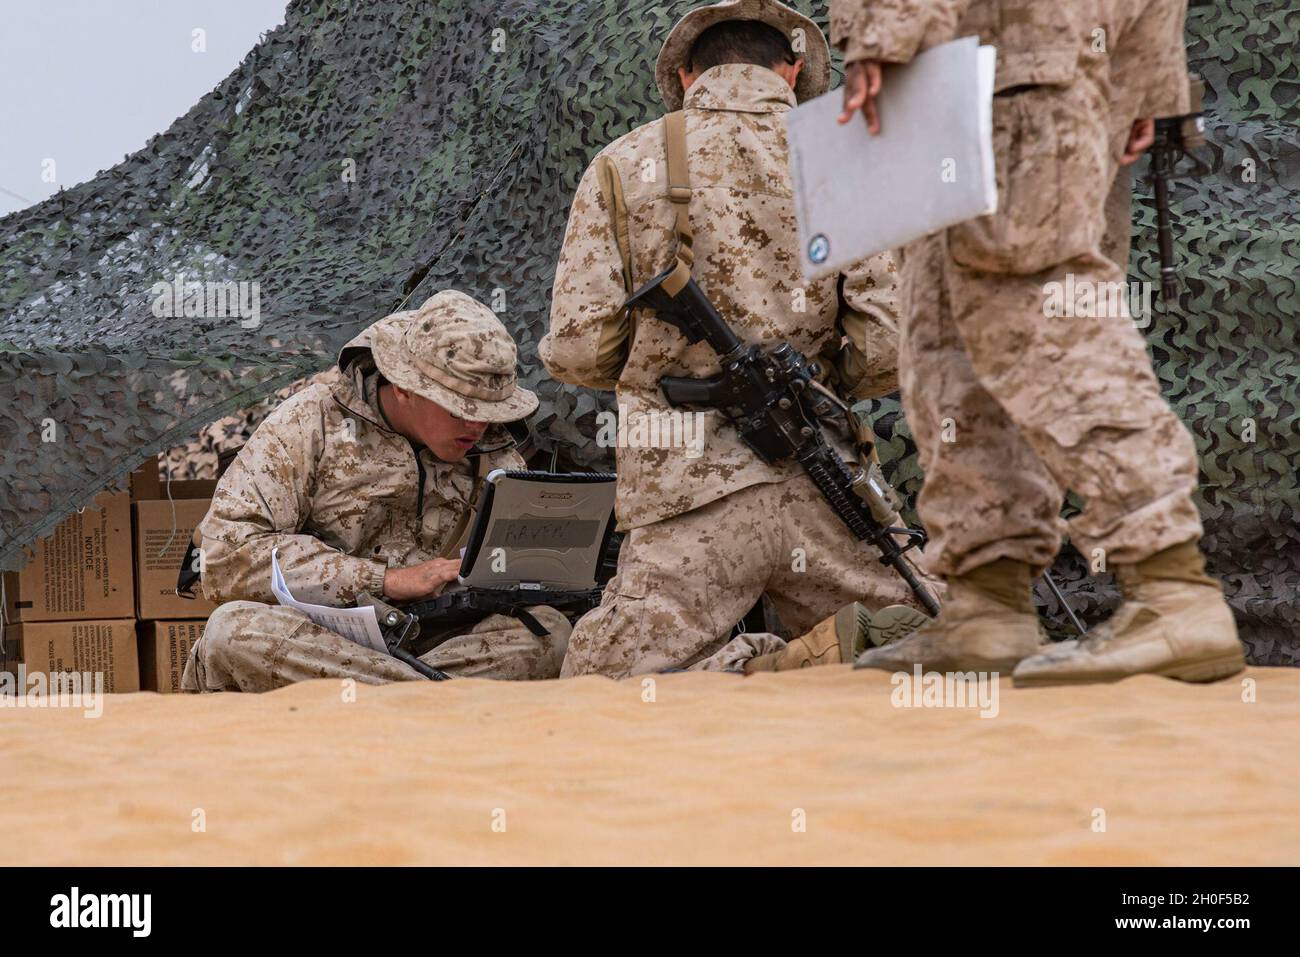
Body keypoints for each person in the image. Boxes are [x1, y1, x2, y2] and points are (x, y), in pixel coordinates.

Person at [826, 0, 1245, 685]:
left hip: (1003, 68)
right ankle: (990, 601)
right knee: (950, 336)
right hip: (1017, 76)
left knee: (1046, 312)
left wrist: (883, 28)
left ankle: (1170, 580)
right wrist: (1148, 83)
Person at [541, 0, 939, 679]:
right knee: (935, 634)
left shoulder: (623, 162)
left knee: (603, 686)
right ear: (791, 69)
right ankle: (814, 657)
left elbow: (580, 348)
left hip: (686, 496)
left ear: (689, 74)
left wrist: (657, 365)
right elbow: (883, 350)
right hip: (825, 483)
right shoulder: (848, 160)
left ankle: (753, 668)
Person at [181, 290, 571, 692]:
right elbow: (222, 560)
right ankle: (433, 699)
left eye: (491, 412)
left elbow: (513, 574)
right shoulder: (311, 422)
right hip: (323, 643)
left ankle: (403, 697)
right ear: (405, 386)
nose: (477, 427)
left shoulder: (495, 450)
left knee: (549, 635)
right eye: (459, 409)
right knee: (233, 633)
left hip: (439, 644)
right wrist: (384, 580)